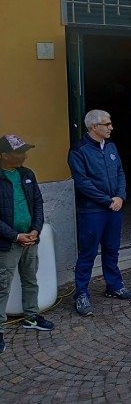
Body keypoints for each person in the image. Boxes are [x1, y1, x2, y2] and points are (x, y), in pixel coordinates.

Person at [68, 110, 131, 317]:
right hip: (92, 210)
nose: (111, 127)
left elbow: (121, 173)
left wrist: (121, 197)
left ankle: (113, 285)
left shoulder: (112, 147)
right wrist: (107, 200)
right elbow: (82, 183)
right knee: (88, 253)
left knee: (112, 249)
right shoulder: (79, 151)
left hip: (114, 208)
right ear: (94, 127)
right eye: (107, 124)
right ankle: (81, 293)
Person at [0, 135, 54, 352]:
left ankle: (31, 317)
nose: (24, 155)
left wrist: (35, 230)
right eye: (19, 152)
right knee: (2, 286)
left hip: (30, 238)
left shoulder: (27, 174)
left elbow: (38, 204)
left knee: (31, 279)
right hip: (8, 242)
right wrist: (15, 236)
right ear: (4, 155)